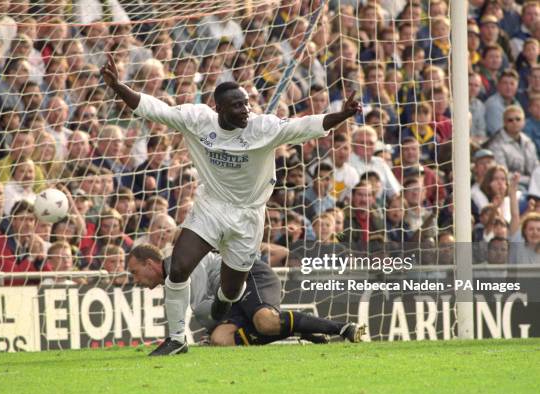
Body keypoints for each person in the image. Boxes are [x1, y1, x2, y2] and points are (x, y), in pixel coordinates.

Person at [101, 54, 361, 355]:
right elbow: (157, 110)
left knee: (232, 289)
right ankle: (176, 339)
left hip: (248, 216)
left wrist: (341, 115)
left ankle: (226, 298)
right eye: (237, 105)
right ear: (218, 109)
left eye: (247, 103)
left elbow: (306, 126)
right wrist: (119, 87)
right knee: (179, 268)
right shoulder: (198, 120)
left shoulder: (262, 127)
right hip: (211, 206)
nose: (245, 110)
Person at [128, 244, 365, 347]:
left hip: (248, 274)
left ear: (150, 264)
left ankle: (343, 328)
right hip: (231, 297)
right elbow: (211, 313)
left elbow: (203, 310)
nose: (136, 280)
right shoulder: (172, 281)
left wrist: (196, 333)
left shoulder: (181, 264)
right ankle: (298, 328)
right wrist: (213, 333)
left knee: (266, 321)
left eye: (135, 272)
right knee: (221, 341)